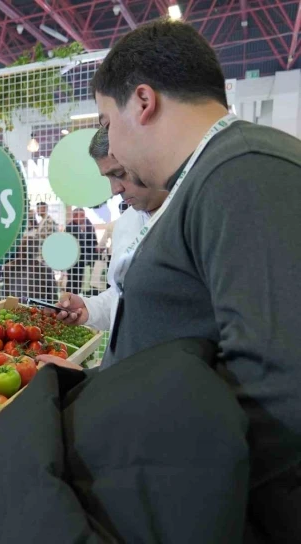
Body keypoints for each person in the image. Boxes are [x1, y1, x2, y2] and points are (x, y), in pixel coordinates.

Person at [88, 20, 301, 540]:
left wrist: (154, 479)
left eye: (106, 121)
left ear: (142, 102)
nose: (110, 141)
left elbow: (279, 384)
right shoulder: (212, 175)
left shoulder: (245, 171)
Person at [51, 127, 167, 333]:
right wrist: (89, 309)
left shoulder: (196, 216)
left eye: (120, 174)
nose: (115, 189)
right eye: (109, 178)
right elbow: (119, 294)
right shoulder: (125, 224)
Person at [63, 208, 98, 294]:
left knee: (80, 281)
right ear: (74, 216)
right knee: (73, 281)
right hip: (73, 261)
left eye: (83, 215)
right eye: (81, 215)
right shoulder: (70, 227)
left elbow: (93, 241)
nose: (83, 218)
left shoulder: (88, 225)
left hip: (86, 259)